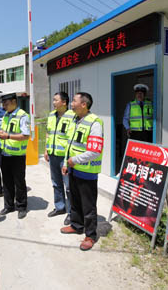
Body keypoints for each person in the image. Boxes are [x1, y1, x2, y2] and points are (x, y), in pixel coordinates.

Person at [60, 92, 104, 251]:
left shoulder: (95, 123)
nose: (71, 104)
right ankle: (76, 225)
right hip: (73, 169)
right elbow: (69, 144)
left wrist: (74, 161)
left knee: (88, 205)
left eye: (74, 101)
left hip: (87, 172)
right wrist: (67, 162)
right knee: (75, 200)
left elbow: (95, 151)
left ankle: (90, 235)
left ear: (84, 104)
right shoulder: (74, 119)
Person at [0, 93, 30, 219]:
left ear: (14, 101)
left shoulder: (22, 116)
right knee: (7, 181)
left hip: (17, 155)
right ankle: (9, 205)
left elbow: (26, 135)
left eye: (6, 103)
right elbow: (6, 131)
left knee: (19, 182)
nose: (4, 106)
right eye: (3, 103)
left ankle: (21, 207)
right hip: (5, 153)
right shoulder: (6, 115)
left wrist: (8, 136)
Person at [44, 92, 75, 225]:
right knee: (56, 183)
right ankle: (60, 207)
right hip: (53, 155)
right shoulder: (51, 115)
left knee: (68, 186)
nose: (53, 102)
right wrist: (46, 149)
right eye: (53, 100)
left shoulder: (72, 116)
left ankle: (71, 212)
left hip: (65, 157)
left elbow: (72, 138)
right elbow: (48, 132)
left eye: (56, 100)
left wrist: (69, 158)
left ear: (64, 102)